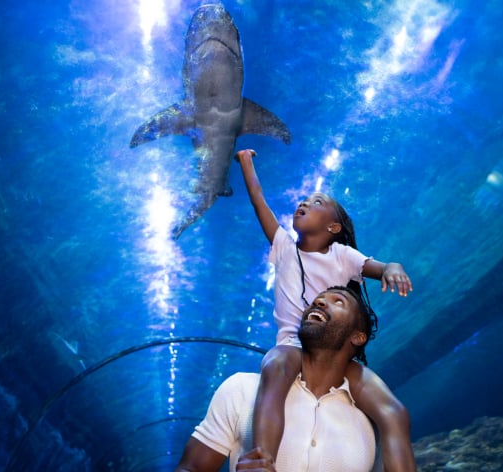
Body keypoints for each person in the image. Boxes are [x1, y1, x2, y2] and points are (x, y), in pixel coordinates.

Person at [235, 149, 416, 471]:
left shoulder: (342, 255)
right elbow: (258, 200)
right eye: (303, 200)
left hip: (336, 353)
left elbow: (381, 266)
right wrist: (246, 162)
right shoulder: (283, 246)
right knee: (275, 365)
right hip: (294, 344)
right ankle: (262, 459)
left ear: (333, 227)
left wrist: (394, 268)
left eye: (317, 202)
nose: (304, 203)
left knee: (394, 412)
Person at [175, 286, 381, 471]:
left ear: (358, 337)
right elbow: (190, 468)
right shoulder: (241, 389)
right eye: (317, 299)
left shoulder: (365, 429)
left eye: (338, 301)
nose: (318, 302)